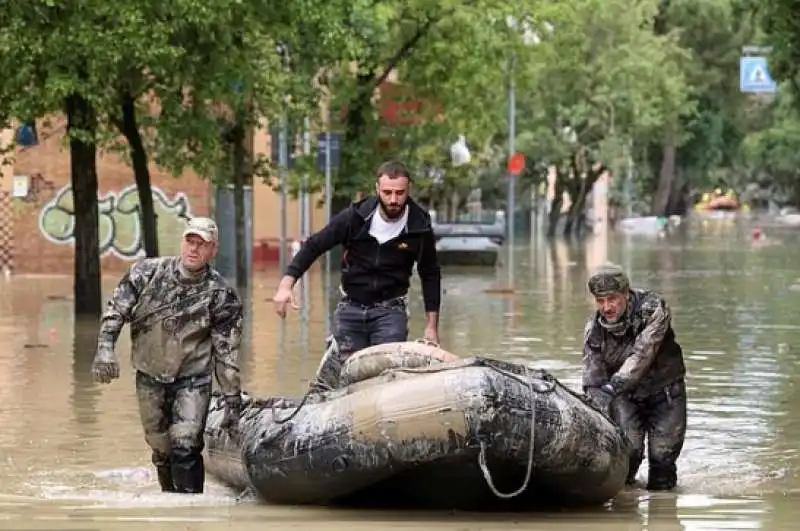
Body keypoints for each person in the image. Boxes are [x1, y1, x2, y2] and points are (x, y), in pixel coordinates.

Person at [90, 217, 244, 494]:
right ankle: (169, 505)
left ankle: (191, 514)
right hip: (149, 374)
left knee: (185, 445)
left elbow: (226, 353)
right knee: (161, 448)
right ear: (182, 241)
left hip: (193, 378)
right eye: (190, 241)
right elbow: (116, 310)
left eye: (202, 244)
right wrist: (105, 348)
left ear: (213, 250)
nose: (194, 249)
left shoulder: (221, 295)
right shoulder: (146, 272)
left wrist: (232, 401)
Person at [272, 160, 441, 390]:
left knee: (387, 382)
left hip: (390, 312)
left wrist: (432, 328)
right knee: (337, 381)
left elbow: (430, 274)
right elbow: (314, 246)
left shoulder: (419, 226)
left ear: (408, 189)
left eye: (400, 193)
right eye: (387, 192)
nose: (393, 200)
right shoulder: (355, 217)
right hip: (350, 308)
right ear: (377, 189)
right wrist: (285, 285)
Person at [581, 264, 687, 491]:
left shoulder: (653, 308)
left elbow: (642, 354)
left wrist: (612, 387)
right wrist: (593, 406)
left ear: (626, 294)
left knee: (662, 461)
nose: (606, 307)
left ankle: (663, 511)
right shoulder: (594, 329)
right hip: (625, 397)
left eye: (612, 299)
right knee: (627, 456)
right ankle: (624, 514)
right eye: (600, 301)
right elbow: (592, 378)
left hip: (665, 392)